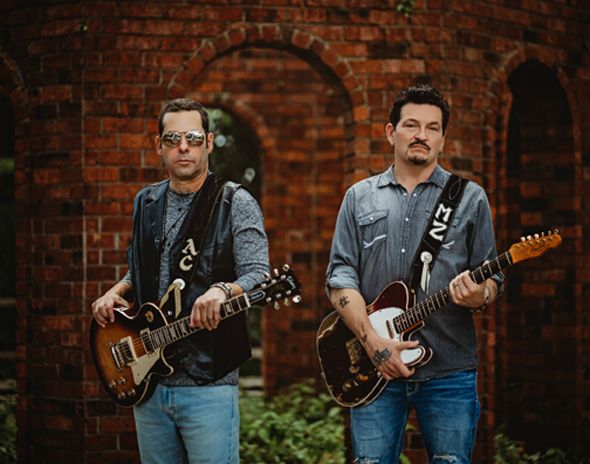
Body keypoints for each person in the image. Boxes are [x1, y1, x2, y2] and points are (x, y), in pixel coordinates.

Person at [326, 84, 503, 463]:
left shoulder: (471, 199)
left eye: (432, 128)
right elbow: (340, 276)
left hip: (449, 371)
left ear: (442, 138)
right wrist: (373, 344)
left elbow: (492, 282)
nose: (421, 135)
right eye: (411, 125)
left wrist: (480, 295)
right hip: (376, 368)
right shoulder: (359, 197)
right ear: (391, 132)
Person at [91, 98, 269, 464]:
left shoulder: (236, 202)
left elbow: (259, 275)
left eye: (192, 137)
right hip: (148, 383)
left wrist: (222, 290)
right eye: (172, 138)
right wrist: (115, 292)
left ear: (208, 140)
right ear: (159, 146)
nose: (183, 147)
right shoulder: (146, 202)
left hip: (209, 382)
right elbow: (139, 270)